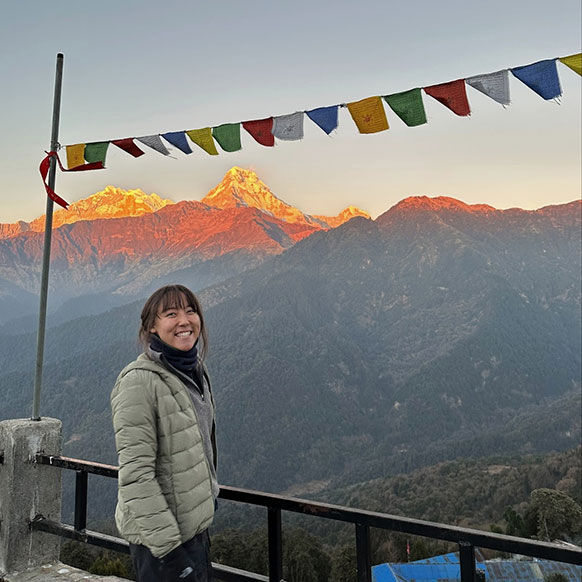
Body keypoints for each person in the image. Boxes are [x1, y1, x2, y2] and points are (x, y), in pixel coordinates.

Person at [111, 284, 218, 582]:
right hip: (161, 545)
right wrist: (170, 554)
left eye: (191, 310)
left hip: (194, 531)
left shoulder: (194, 371)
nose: (184, 321)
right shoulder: (138, 383)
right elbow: (136, 477)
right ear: (152, 327)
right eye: (171, 313)